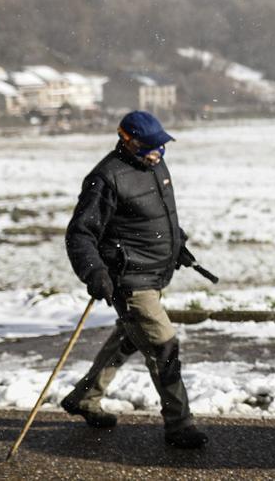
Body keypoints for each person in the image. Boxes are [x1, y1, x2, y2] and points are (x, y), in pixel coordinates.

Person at [60, 110, 208, 449]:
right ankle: (180, 425)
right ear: (128, 141)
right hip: (130, 281)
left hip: (155, 273)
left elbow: (159, 217)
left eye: (161, 146)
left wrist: (177, 246)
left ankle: (84, 398)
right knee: (164, 346)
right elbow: (80, 233)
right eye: (149, 147)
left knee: (129, 337)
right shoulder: (106, 177)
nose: (157, 153)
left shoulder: (155, 165)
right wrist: (94, 271)